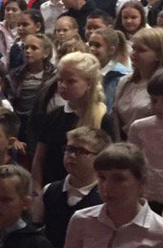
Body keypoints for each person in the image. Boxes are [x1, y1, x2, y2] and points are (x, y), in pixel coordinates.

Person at [30, 51, 107, 191]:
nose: (63, 85)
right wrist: (36, 190)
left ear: (89, 84)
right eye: (60, 80)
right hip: (52, 190)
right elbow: (39, 159)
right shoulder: (54, 116)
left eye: (71, 81)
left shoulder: (103, 118)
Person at [32, 125, 107, 248]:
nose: (71, 155)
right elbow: (37, 228)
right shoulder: (49, 190)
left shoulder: (105, 196)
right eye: (69, 149)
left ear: (99, 158)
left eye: (81, 151)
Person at [127, 67, 163, 210]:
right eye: (154, 101)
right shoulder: (139, 127)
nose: (158, 107)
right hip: (149, 197)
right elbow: (133, 164)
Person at [113, 26, 163, 136]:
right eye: (133, 48)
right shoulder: (125, 82)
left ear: (158, 55)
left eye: (141, 50)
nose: (133, 54)